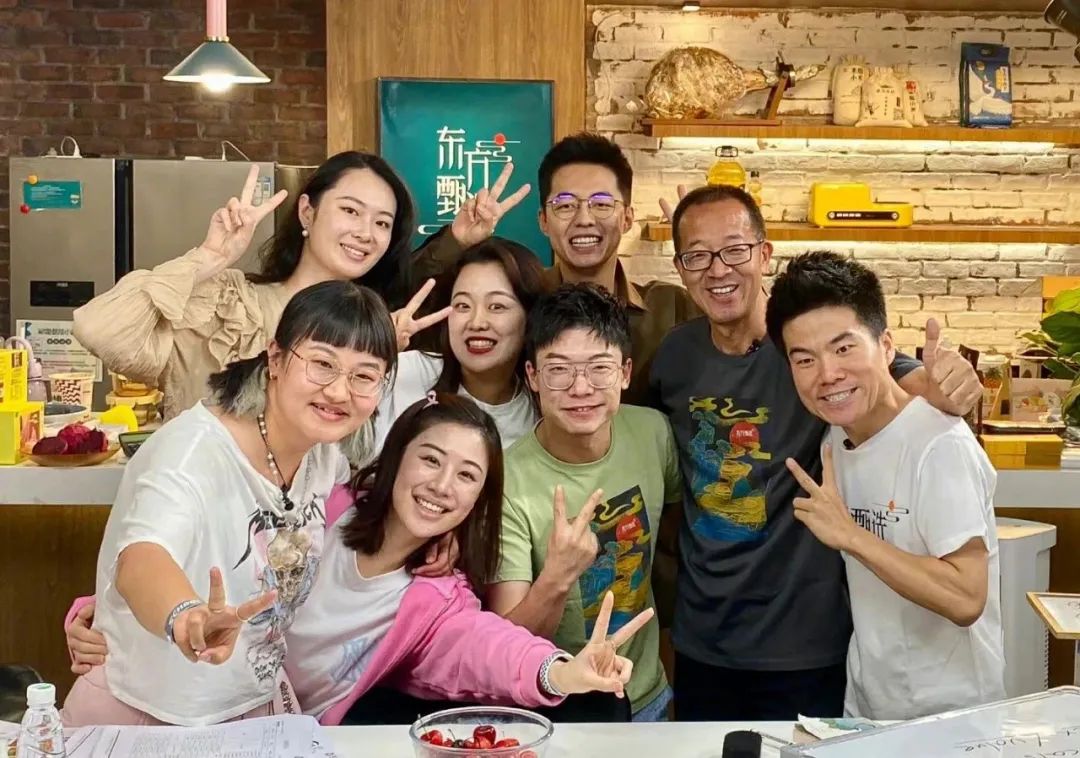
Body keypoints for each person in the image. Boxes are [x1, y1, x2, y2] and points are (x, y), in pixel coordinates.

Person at [64, 394, 653, 727]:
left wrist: (563, 673)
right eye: (430, 460)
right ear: (396, 459)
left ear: (478, 498)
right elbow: (213, 546)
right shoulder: (321, 505)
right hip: (191, 705)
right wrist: (109, 613)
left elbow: (488, 651)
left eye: (467, 475)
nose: (442, 485)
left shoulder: (437, 600)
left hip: (283, 733)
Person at [649, 185, 985, 721]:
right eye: (698, 255)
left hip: (805, 644)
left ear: (764, 253)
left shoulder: (809, 349)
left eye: (734, 250)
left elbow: (878, 373)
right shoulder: (674, 355)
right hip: (703, 638)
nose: (718, 270)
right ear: (681, 268)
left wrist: (941, 382)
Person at [61, 279, 400, 727]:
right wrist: (186, 616)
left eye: (364, 376)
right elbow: (141, 559)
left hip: (252, 705)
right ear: (275, 358)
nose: (339, 392)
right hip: (148, 713)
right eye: (322, 364)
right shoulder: (191, 452)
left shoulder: (323, 454)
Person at [73, 152, 504, 420]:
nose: (365, 233)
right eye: (350, 211)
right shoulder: (229, 305)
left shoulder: (374, 330)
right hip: (199, 519)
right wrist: (209, 257)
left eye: (382, 223)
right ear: (307, 212)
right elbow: (99, 330)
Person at [766, 251, 1005, 720]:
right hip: (868, 706)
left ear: (887, 346)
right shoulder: (836, 437)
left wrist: (850, 536)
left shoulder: (940, 444)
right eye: (805, 359)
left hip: (952, 718)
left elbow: (966, 596)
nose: (828, 374)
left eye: (844, 348)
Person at [488, 284, 682, 722]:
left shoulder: (653, 432)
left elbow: (672, 533)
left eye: (599, 368)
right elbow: (506, 644)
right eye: (558, 370)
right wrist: (558, 576)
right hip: (554, 709)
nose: (580, 388)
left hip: (648, 697)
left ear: (626, 372)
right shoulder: (506, 481)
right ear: (533, 376)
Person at [414, 132, 699, 405]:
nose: (584, 219)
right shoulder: (519, 300)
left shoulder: (670, 308)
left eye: (601, 204)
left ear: (626, 218)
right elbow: (412, 314)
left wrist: (702, 254)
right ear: (543, 221)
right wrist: (456, 241)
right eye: (565, 205)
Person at [375, 237, 545, 452]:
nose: (476, 323)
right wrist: (370, 355)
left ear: (530, 315)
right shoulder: (404, 373)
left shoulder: (544, 409)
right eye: (463, 305)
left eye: (496, 306)